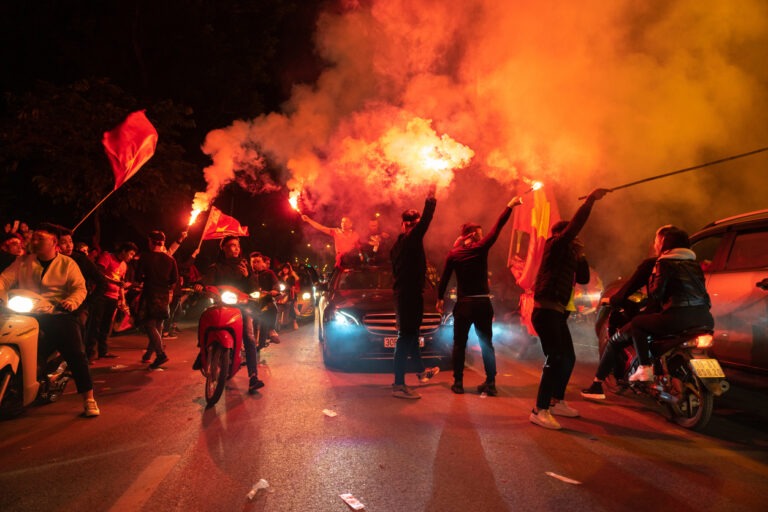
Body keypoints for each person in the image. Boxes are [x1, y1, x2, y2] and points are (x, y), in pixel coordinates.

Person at [582, 226, 713, 399]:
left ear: (663, 243)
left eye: (658, 240)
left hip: (671, 318)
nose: (655, 244)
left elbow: (653, 292)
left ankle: (601, 384)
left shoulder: (659, 264)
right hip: (704, 319)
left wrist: (616, 300)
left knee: (625, 333)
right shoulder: (693, 265)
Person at [529, 188, 609, 430]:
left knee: (568, 357)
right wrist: (590, 200)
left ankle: (556, 401)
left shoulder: (568, 255)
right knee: (556, 357)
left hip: (557, 312)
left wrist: (580, 255)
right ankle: (539, 409)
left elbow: (583, 278)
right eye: (569, 236)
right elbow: (574, 226)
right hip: (546, 310)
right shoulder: (554, 244)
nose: (573, 239)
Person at [0, 223, 100, 417]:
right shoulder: (22, 262)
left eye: (40, 238)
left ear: (54, 242)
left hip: (56, 314)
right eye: (34, 237)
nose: (34, 241)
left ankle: (88, 398)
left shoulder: (67, 264)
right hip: (24, 313)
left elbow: (79, 288)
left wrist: (71, 301)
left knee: (76, 354)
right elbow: (4, 280)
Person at [436, 195, 523, 395]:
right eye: (479, 234)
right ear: (473, 235)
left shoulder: (454, 254)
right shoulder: (481, 248)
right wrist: (509, 205)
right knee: (486, 344)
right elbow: (498, 228)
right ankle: (490, 383)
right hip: (483, 304)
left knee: (459, 344)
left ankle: (458, 383)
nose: (482, 236)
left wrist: (440, 298)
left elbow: (444, 278)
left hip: (464, 305)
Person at [390, 184, 440, 399]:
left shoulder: (397, 244)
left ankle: (420, 372)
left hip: (403, 295)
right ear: (414, 224)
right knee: (406, 338)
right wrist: (431, 194)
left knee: (411, 335)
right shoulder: (412, 238)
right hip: (410, 296)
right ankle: (399, 385)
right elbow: (427, 219)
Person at [197, 236, 264, 392]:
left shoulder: (244, 266)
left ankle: (253, 376)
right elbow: (207, 279)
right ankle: (201, 353)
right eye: (231, 245)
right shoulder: (216, 267)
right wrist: (200, 284)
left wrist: (248, 275)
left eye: (237, 246)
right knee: (204, 320)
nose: (235, 248)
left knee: (248, 336)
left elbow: (254, 288)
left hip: (241, 307)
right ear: (224, 248)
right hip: (221, 304)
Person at [57, 228, 109, 352]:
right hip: (54, 305)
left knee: (76, 341)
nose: (69, 245)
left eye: (70, 241)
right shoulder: (51, 261)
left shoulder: (81, 260)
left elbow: (102, 281)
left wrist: (88, 302)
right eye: (64, 242)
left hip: (78, 307)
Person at [86, 242, 138, 362]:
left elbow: (121, 283)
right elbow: (98, 273)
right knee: (95, 325)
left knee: (106, 325)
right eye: (130, 254)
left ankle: (103, 351)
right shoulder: (107, 257)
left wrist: (123, 300)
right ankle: (89, 354)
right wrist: (114, 282)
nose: (131, 257)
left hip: (113, 297)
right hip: (101, 295)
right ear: (123, 251)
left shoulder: (124, 265)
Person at [136, 231, 178, 370]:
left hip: (150, 293)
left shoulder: (146, 257)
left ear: (151, 241)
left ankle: (160, 354)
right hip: (164, 295)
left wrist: (145, 279)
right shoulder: (170, 259)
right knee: (158, 326)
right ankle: (148, 355)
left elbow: (138, 276)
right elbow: (174, 280)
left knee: (149, 325)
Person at [247, 251, 281, 346]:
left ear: (263, 262)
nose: (255, 264)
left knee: (273, 307)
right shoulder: (248, 274)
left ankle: (271, 329)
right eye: (253, 262)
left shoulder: (269, 273)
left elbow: (276, 284)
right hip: (250, 301)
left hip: (265, 300)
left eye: (258, 261)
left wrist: (275, 290)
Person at [277, 262, 300, 331]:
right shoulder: (280, 276)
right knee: (279, 307)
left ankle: (294, 322)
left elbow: (293, 285)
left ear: (289, 269)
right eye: (284, 268)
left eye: (286, 268)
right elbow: (278, 284)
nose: (285, 270)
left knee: (291, 308)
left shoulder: (291, 277)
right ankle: (279, 323)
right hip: (282, 293)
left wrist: (292, 290)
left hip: (290, 294)